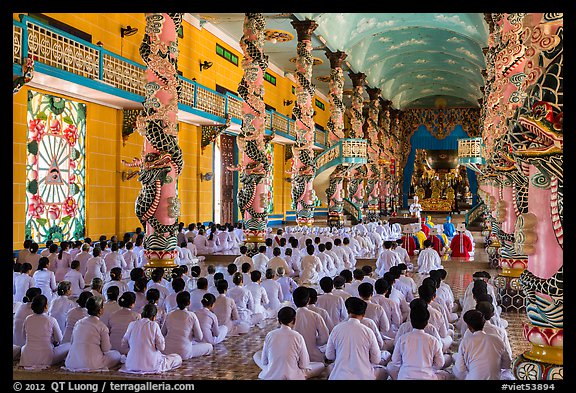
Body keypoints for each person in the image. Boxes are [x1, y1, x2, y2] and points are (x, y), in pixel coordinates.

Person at [253, 306, 326, 380]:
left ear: (279, 320)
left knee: (257, 355)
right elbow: (304, 364)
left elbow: (264, 361)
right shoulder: (297, 336)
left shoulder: (270, 335)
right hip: (293, 375)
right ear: (294, 320)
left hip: (272, 375)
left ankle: (271, 371)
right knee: (320, 365)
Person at [325, 297, 388, 380]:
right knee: (385, 371)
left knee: (330, 368)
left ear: (348, 312)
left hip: (340, 376)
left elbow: (329, 356)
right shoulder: (368, 331)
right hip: (363, 376)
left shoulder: (336, 329)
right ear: (363, 315)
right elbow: (376, 360)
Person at [387, 298, 449, 380]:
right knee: (447, 374)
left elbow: (395, 361)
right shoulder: (433, 340)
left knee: (390, 366)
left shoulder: (403, 339)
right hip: (427, 376)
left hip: (405, 376)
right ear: (427, 322)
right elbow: (440, 363)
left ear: (411, 320)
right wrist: (429, 369)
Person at [63, 296, 123, 371]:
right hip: (92, 364)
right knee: (116, 354)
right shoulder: (102, 326)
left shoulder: (78, 323)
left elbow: (72, 342)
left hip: (72, 362)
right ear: (100, 310)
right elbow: (106, 349)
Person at [120, 304, 182, 374]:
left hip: (131, 365)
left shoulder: (132, 324)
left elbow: (123, 345)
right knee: (177, 358)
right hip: (152, 365)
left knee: (123, 357)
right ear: (154, 317)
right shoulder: (154, 325)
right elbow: (161, 347)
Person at [453, 309, 512, 380]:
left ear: (469, 327)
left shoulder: (466, 342)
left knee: (455, 366)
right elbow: (507, 364)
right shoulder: (497, 339)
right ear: (484, 322)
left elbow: (461, 369)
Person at [19, 294, 70, 369]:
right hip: (46, 357)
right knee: (68, 345)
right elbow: (59, 339)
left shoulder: (28, 319)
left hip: (27, 357)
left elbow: (23, 337)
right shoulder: (51, 320)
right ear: (46, 306)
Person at [161, 291, 213, 359]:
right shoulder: (192, 315)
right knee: (209, 347)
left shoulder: (169, 314)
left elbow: (162, 333)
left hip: (167, 351)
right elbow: (199, 337)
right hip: (184, 352)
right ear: (189, 303)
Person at [292, 286, 330, 363]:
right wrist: (314, 341)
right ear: (308, 300)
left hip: (295, 358)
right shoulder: (316, 316)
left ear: (293, 300)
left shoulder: (290, 317)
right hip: (314, 357)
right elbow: (325, 338)